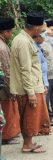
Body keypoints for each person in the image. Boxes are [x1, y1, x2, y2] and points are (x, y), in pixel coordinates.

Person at [10, 12, 50, 153]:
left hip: (33, 85)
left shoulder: (25, 39)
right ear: (37, 28)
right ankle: (27, 145)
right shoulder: (23, 42)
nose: (43, 31)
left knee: (32, 116)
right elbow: (25, 70)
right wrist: (31, 93)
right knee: (29, 117)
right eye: (42, 28)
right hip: (28, 88)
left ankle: (29, 143)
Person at [0, 17, 21, 146]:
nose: (12, 34)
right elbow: (7, 70)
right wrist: (11, 89)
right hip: (4, 85)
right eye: (11, 32)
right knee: (8, 110)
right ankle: (7, 136)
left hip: (3, 83)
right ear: (5, 32)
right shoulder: (2, 47)